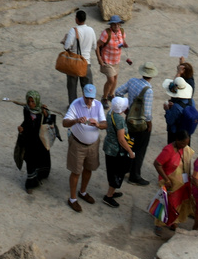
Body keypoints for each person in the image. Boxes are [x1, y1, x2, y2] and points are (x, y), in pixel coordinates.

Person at [61, 83, 106, 213]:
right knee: (76, 171)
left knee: (88, 168)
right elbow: (64, 123)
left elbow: (105, 124)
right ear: (83, 95)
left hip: (93, 145)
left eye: (91, 98)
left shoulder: (98, 105)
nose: (89, 101)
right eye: (87, 98)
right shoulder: (75, 104)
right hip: (78, 144)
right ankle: (73, 198)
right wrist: (76, 120)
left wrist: (97, 124)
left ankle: (83, 191)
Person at [154, 132, 196, 233]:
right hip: (171, 182)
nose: (185, 146)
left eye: (186, 143)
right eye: (182, 143)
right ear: (177, 140)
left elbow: (187, 162)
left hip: (182, 182)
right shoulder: (168, 150)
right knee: (168, 203)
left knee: (179, 202)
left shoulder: (185, 148)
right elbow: (157, 163)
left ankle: (174, 221)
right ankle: (159, 224)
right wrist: (166, 179)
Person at [14, 90, 54, 192]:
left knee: (41, 159)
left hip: (40, 141)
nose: (31, 104)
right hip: (29, 140)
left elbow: (48, 123)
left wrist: (45, 115)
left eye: (33, 101)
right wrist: (22, 128)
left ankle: (41, 176)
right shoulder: (26, 110)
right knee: (30, 161)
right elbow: (26, 122)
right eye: (29, 101)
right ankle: (30, 185)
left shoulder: (42, 110)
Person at [101, 95, 134, 207]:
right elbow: (121, 139)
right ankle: (108, 196)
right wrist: (130, 151)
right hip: (116, 151)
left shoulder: (110, 113)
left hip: (109, 147)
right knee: (117, 172)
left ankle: (112, 192)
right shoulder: (119, 119)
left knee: (112, 170)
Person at [62, 9, 96, 104]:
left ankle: (73, 107)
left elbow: (67, 46)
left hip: (74, 63)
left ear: (77, 19)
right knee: (88, 87)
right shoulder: (91, 30)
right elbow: (94, 46)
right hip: (86, 63)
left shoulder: (73, 30)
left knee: (72, 87)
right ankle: (88, 106)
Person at [96, 14, 129, 100]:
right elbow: (97, 45)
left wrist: (124, 44)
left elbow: (122, 40)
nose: (116, 26)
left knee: (115, 78)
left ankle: (111, 94)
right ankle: (104, 97)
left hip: (116, 60)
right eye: (114, 24)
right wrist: (100, 60)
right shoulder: (106, 33)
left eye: (118, 24)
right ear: (111, 25)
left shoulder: (121, 31)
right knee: (111, 80)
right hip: (107, 60)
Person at [163, 78, 198, 144]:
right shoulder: (191, 101)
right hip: (186, 134)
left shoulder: (176, 107)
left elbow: (170, 121)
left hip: (176, 135)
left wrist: (167, 110)